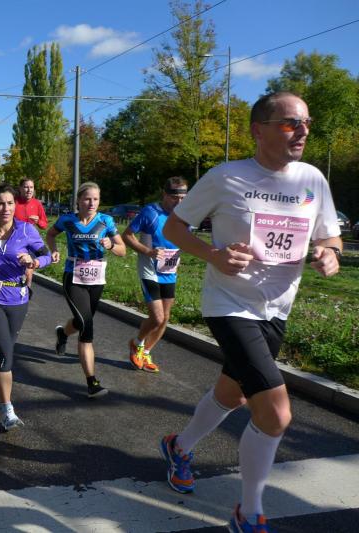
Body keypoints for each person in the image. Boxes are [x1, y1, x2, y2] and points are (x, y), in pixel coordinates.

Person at [159, 92, 342, 532]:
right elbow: (174, 227)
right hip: (229, 304)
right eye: (290, 123)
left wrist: (329, 253)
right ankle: (250, 512)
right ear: (259, 130)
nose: (302, 131)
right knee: (276, 414)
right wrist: (213, 255)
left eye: (306, 123)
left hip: (277, 308)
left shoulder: (312, 179)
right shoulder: (226, 177)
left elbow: (330, 236)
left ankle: (179, 446)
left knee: (234, 394)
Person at [0, 183, 55, 430]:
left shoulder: (26, 230)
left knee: (5, 344)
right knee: (6, 354)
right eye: (0, 203)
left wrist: (34, 261)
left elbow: (47, 255)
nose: (5, 208)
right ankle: (7, 409)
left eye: (9, 203)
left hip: (18, 297)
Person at [46, 182, 126, 398]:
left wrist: (111, 245)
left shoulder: (106, 221)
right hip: (73, 277)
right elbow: (50, 234)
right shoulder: (67, 220)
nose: (92, 203)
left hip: (97, 279)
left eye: (96, 199)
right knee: (86, 326)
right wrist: (54, 250)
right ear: (79, 200)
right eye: (87, 199)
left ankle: (63, 333)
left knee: (82, 320)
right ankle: (92, 382)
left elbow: (123, 250)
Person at [121, 177, 188, 373]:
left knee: (165, 318)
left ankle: (146, 352)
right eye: (175, 198)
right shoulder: (150, 212)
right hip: (149, 270)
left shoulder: (185, 216)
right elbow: (127, 235)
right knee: (157, 317)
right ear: (165, 195)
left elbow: (184, 239)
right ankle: (136, 343)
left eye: (183, 198)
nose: (179, 202)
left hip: (169, 271)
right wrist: (148, 251)